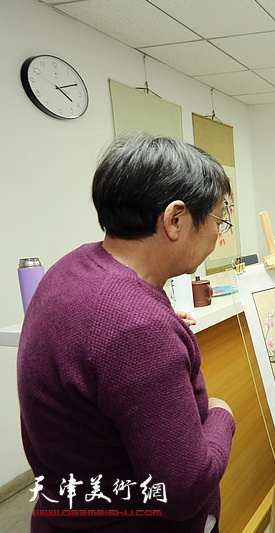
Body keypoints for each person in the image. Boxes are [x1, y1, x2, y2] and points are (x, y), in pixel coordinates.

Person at [17, 135, 236, 533]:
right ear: (176, 219)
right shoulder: (135, 327)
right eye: (220, 219)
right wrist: (222, 416)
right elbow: (181, 491)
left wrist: (158, 330)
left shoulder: (70, 268)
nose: (219, 233)